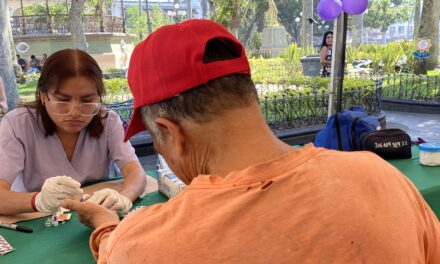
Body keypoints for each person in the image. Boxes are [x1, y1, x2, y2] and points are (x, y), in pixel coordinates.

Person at [63, 20, 440, 263]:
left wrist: (103, 220)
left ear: (171, 134)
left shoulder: (147, 245)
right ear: (249, 98)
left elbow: (117, 250)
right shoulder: (384, 177)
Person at [0, 49, 146, 215]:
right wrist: (39, 200)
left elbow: (136, 174)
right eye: (63, 100)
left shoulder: (108, 121)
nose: (75, 111)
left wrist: (123, 198)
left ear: (99, 97)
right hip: (35, 219)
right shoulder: (17, 124)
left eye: (87, 100)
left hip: (95, 213)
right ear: (42, 95)